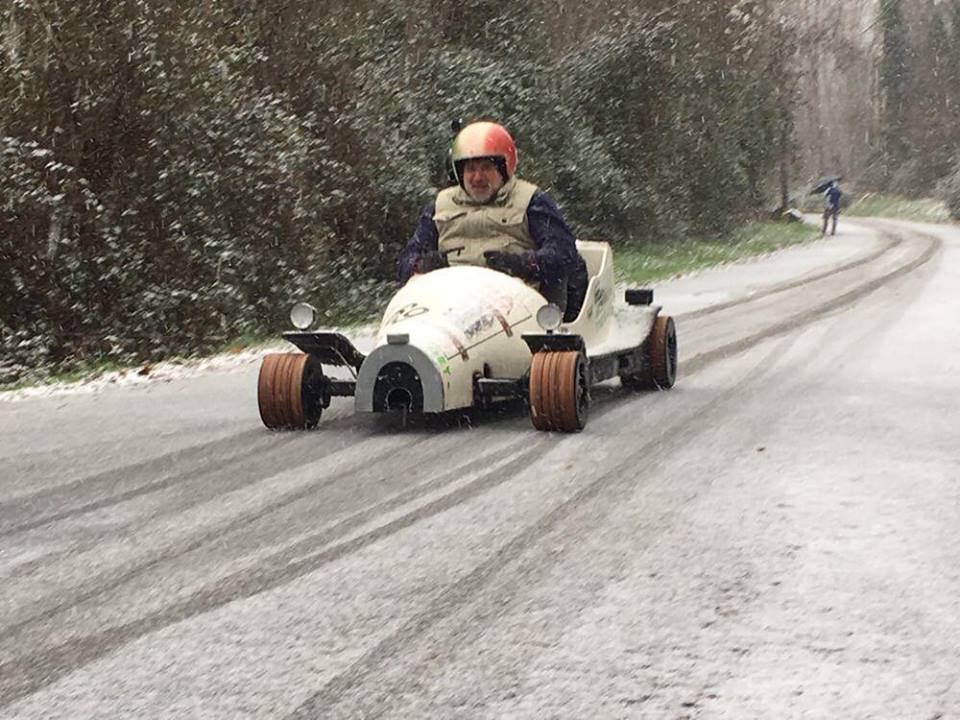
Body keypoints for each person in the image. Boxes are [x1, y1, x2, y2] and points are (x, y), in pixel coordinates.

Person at [397, 121, 584, 316]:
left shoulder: (531, 201)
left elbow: (564, 252)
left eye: (486, 167)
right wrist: (420, 264)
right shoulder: (439, 206)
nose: (477, 177)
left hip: (516, 306)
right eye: (470, 169)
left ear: (504, 169)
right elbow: (405, 260)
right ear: (459, 173)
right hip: (450, 306)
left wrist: (524, 264)